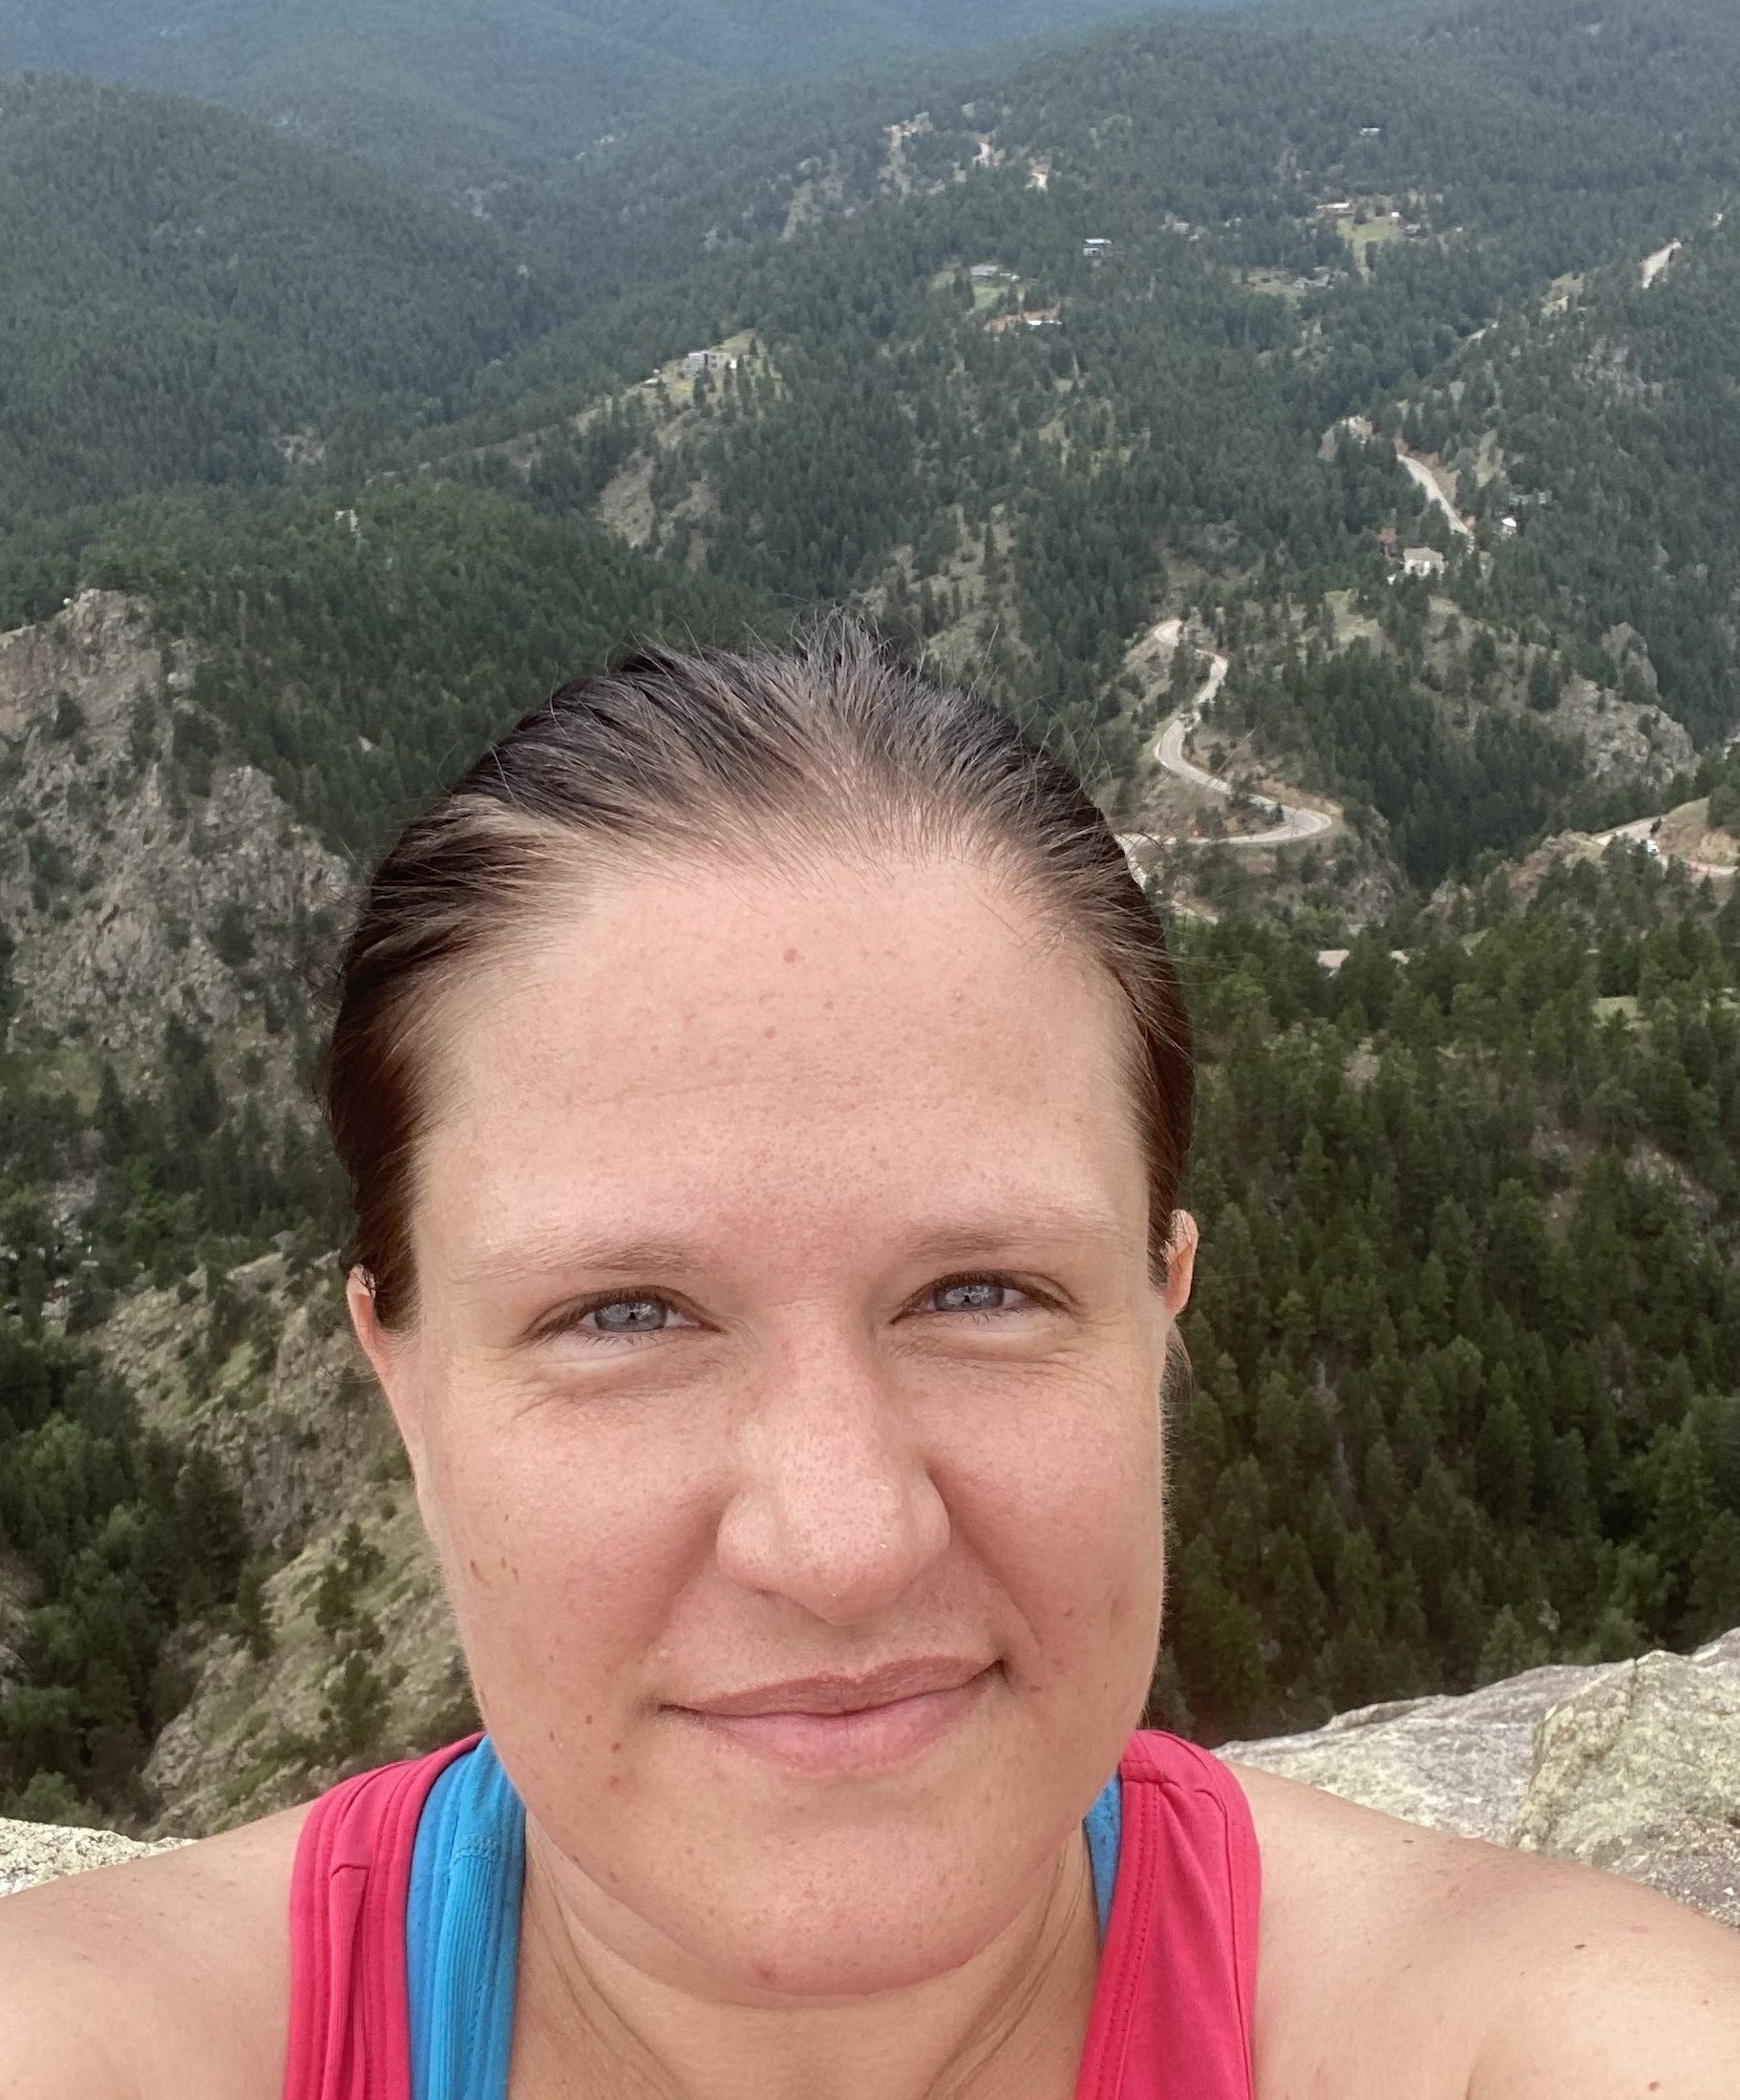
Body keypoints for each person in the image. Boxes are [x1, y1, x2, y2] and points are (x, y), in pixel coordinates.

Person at [3, 624, 1738, 2100]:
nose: (840, 1545)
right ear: (400, 1373)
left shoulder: (1539, 2044)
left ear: (1161, 1310)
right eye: (625, 1316)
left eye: (978, 1292)